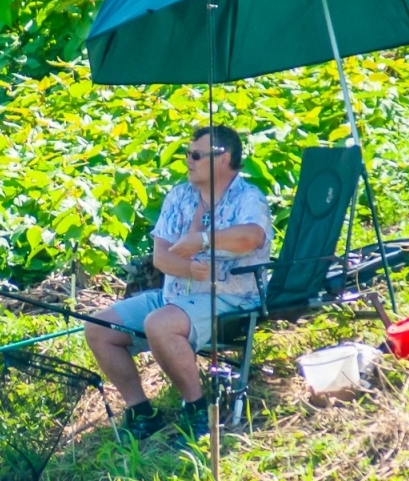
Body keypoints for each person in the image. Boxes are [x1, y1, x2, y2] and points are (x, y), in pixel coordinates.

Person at [84, 125, 273, 440]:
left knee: (159, 324)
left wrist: (203, 240)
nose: (188, 159)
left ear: (223, 158)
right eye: (188, 153)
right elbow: (161, 258)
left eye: (196, 155)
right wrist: (188, 268)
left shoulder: (248, 197)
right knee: (97, 326)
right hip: (173, 296)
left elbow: (251, 237)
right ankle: (142, 412)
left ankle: (198, 410)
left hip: (229, 298)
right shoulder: (179, 195)